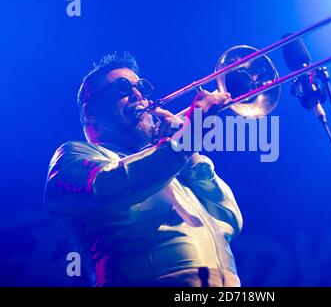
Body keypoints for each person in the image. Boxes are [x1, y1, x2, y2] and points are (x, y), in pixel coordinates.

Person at [44, 52, 243, 287]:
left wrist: (190, 155)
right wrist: (187, 138)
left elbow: (229, 218)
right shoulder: (73, 155)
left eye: (141, 88)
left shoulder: (168, 164)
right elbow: (109, 189)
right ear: (90, 113)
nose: (138, 95)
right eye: (122, 87)